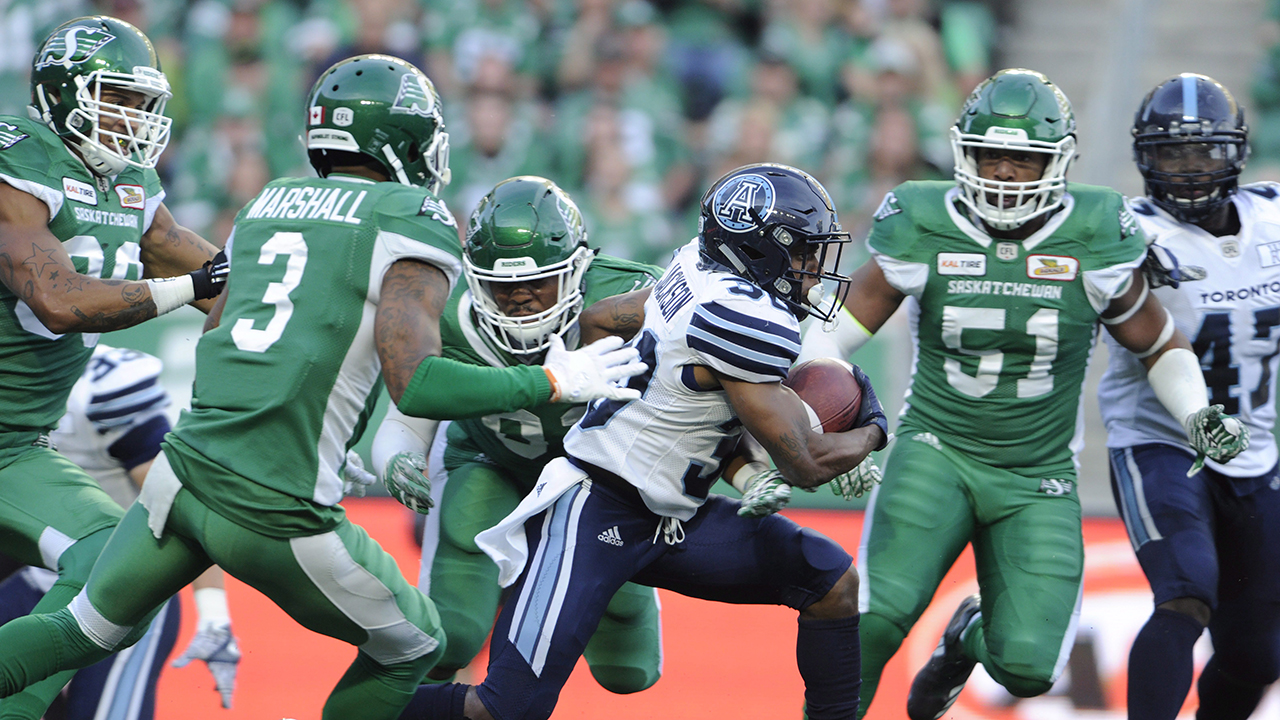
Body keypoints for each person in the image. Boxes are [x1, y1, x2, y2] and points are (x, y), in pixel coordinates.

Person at [0, 53, 647, 720]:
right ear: (402, 138)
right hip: (275, 502)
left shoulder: (265, 202)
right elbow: (418, 384)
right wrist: (548, 380)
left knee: (83, 629)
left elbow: (220, 325)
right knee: (415, 643)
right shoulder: (412, 215)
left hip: (181, 477)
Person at [794, 68, 1250, 720]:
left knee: (1031, 668)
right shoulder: (926, 218)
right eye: (992, 156)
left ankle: (965, 639)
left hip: (1038, 473)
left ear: (1056, 161)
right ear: (964, 154)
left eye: (1023, 158)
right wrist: (831, 426)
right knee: (875, 618)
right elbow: (832, 334)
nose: (1005, 173)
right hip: (937, 450)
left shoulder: (1094, 231)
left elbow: (1158, 341)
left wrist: (1196, 411)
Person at [396, 162, 890, 720]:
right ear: (761, 251)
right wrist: (872, 424)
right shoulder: (739, 314)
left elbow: (603, 319)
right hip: (595, 509)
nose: (812, 269)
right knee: (505, 708)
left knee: (831, 583)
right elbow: (804, 464)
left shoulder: (698, 267)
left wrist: (654, 401)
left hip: (671, 519)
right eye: (802, 252)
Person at [0, 15, 229, 720]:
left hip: (15, 447)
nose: (134, 118)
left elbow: (227, 285)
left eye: (141, 102)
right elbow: (59, 299)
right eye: (117, 98)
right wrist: (187, 290)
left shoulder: (129, 186)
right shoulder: (18, 163)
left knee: (119, 567)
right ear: (64, 93)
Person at [370, 175, 665, 692]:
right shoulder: (453, 314)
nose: (522, 300)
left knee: (630, 672)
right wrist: (398, 455)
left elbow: (722, 363)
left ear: (577, 270)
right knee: (451, 638)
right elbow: (409, 409)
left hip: (600, 479)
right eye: (503, 288)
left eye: (538, 283)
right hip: (489, 463)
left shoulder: (630, 298)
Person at [1099, 73, 1280, 720]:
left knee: (1258, 655)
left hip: (1255, 449)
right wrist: (1109, 266)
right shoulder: (1123, 231)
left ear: (1235, 153)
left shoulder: (1274, 221)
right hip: (1159, 443)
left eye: (1204, 151)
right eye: (1172, 153)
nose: (1189, 169)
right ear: (1146, 158)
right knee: (1185, 589)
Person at [0, 345, 240, 718]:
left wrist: (214, 614)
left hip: (120, 587)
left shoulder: (101, 385)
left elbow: (179, 504)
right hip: (33, 578)